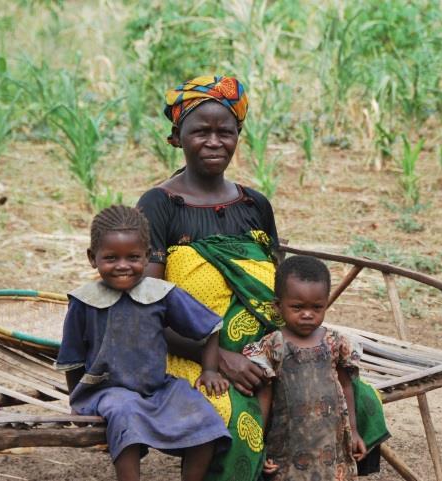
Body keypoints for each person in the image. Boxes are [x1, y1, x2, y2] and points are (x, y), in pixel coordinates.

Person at [137, 75, 389, 481]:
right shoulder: (159, 205)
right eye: (200, 131)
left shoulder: (255, 205)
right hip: (189, 356)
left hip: (271, 351)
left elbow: (278, 291)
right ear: (176, 137)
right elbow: (143, 307)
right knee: (236, 416)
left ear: (239, 135)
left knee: (357, 397)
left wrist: (281, 352)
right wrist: (219, 358)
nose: (214, 141)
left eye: (226, 131)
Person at [56, 205, 231, 481]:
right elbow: (72, 357)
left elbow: (209, 326)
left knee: (206, 418)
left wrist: (210, 369)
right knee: (126, 414)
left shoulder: (161, 294)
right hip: (107, 391)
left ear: (148, 256)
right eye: (111, 258)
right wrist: (76, 401)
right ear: (93, 258)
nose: (123, 265)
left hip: (158, 387)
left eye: (133, 257)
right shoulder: (83, 301)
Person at [243, 255, 367, 481]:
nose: (308, 314)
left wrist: (354, 431)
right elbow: (264, 397)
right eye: (298, 307)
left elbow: (346, 386)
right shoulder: (274, 345)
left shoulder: (335, 342)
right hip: (289, 445)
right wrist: (258, 446)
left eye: (317, 307)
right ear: (278, 306)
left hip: (331, 442)